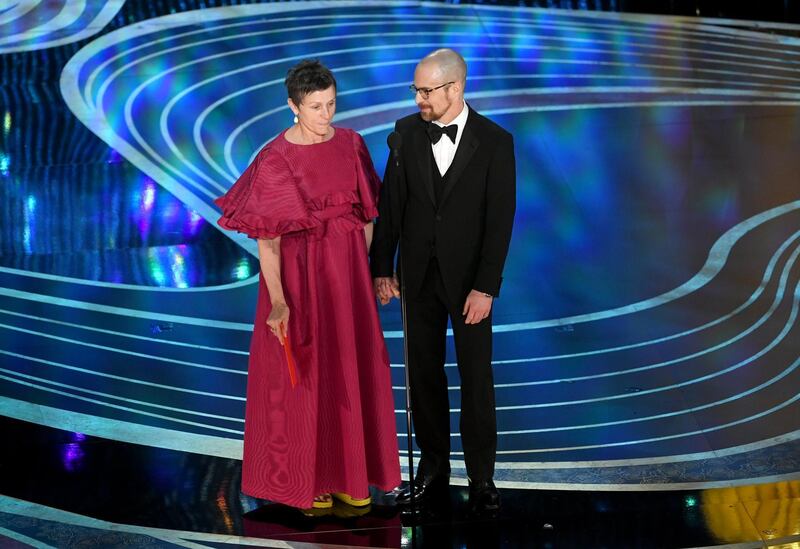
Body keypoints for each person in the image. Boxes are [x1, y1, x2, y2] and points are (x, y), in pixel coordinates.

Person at [215, 59, 401, 512]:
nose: (326, 115)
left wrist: (371, 270)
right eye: (316, 107)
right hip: (300, 278)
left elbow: (366, 215)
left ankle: (349, 473)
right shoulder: (276, 159)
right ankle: (310, 477)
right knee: (306, 374)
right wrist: (278, 302)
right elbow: (269, 241)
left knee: (348, 366)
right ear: (293, 106)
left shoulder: (352, 145)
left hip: (347, 275)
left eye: (331, 104)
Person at [370, 48, 516, 517]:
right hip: (418, 277)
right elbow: (390, 206)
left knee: (477, 379)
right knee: (423, 376)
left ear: (455, 88)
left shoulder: (496, 142)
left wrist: (486, 287)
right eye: (415, 89)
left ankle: (482, 477)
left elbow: (500, 221)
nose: (419, 99)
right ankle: (432, 468)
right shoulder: (406, 135)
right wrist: (382, 267)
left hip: (470, 283)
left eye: (426, 90)